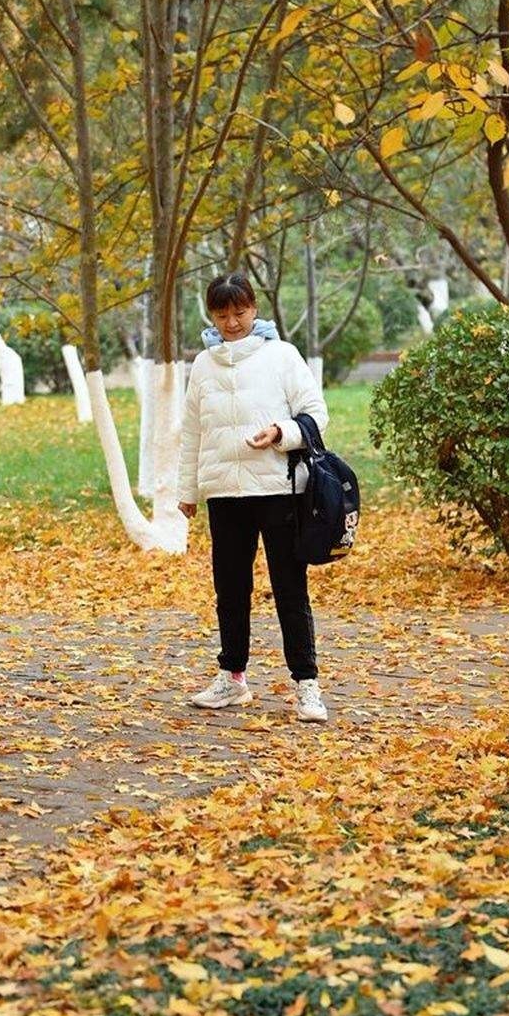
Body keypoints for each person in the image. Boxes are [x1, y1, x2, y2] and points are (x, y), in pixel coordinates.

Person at [177, 272, 330, 723]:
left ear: (254, 308)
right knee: (230, 590)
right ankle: (232, 678)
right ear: (211, 314)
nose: (232, 322)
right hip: (224, 493)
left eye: (239, 311)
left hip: (278, 489)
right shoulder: (203, 365)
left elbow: (317, 414)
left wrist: (283, 432)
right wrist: (188, 491)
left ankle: (307, 686)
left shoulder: (282, 356)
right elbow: (192, 432)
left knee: (289, 588)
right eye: (222, 314)